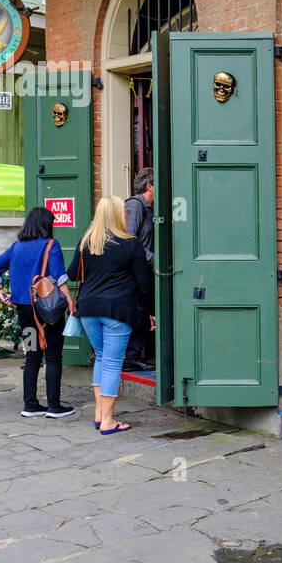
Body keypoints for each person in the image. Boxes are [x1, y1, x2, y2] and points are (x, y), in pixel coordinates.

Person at [67, 196, 153, 435]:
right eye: (123, 211)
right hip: (117, 310)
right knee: (113, 363)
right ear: (116, 214)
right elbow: (144, 284)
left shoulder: (86, 242)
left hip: (88, 310)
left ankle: (99, 413)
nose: (127, 214)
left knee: (102, 358)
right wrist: (148, 312)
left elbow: (72, 274)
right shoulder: (130, 244)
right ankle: (108, 421)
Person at [0, 206, 76, 418]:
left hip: (25, 311)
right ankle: (54, 406)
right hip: (48, 312)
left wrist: (0, 292)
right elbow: (60, 278)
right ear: (47, 224)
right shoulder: (51, 245)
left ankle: (30, 405)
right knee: (53, 355)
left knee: (32, 356)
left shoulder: (16, 247)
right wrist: (71, 303)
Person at [122, 167, 155, 372]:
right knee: (140, 313)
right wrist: (153, 258)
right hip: (137, 270)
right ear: (149, 185)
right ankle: (129, 357)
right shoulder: (134, 206)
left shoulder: (149, 209)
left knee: (145, 313)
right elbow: (130, 239)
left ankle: (131, 356)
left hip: (145, 267)